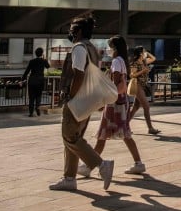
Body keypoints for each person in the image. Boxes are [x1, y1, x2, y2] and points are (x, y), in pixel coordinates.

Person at [49, 16, 114, 192]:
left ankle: (102, 165)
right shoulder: (92, 48)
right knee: (73, 139)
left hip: (76, 100)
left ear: (78, 31)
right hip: (87, 100)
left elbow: (78, 74)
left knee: (69, 137)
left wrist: (71, 96)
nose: (70, 33)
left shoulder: (79, 48)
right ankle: (69, 178)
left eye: (71, 29)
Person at [80, 35, 146, 177]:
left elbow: (115, 82)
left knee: (103, 134)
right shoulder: (123, 61)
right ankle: (138, 163)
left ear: (114, 48)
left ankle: (89, 166)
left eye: (110, 47)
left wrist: (103, 100)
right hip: (121, 101)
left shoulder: (116, 61)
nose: (108, 50)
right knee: (124, 133)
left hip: (113, 103)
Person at [127, 46, 161, 135]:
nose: (146, 53)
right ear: (140, 53)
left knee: (135, 107)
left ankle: (124, 126)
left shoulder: (144, 61)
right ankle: (150, 128)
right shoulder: (134, 63)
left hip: (143, 85)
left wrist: (146, 53)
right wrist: (143, 71)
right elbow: (132, 75)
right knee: (146, 106)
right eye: (144, 51)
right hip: (137, 85)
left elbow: (153, 58)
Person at [21, 47, 50, 117]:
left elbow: (27, 71)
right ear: (42, 53)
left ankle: (31, 113)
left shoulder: (32, 61)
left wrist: (22, 79)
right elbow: (48, 66)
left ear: (35, 54)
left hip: (32, 81)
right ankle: (37, 107)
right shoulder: (43, 61)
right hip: (40, 81)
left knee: (31, 97)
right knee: (38, 96)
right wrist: (44, 58)